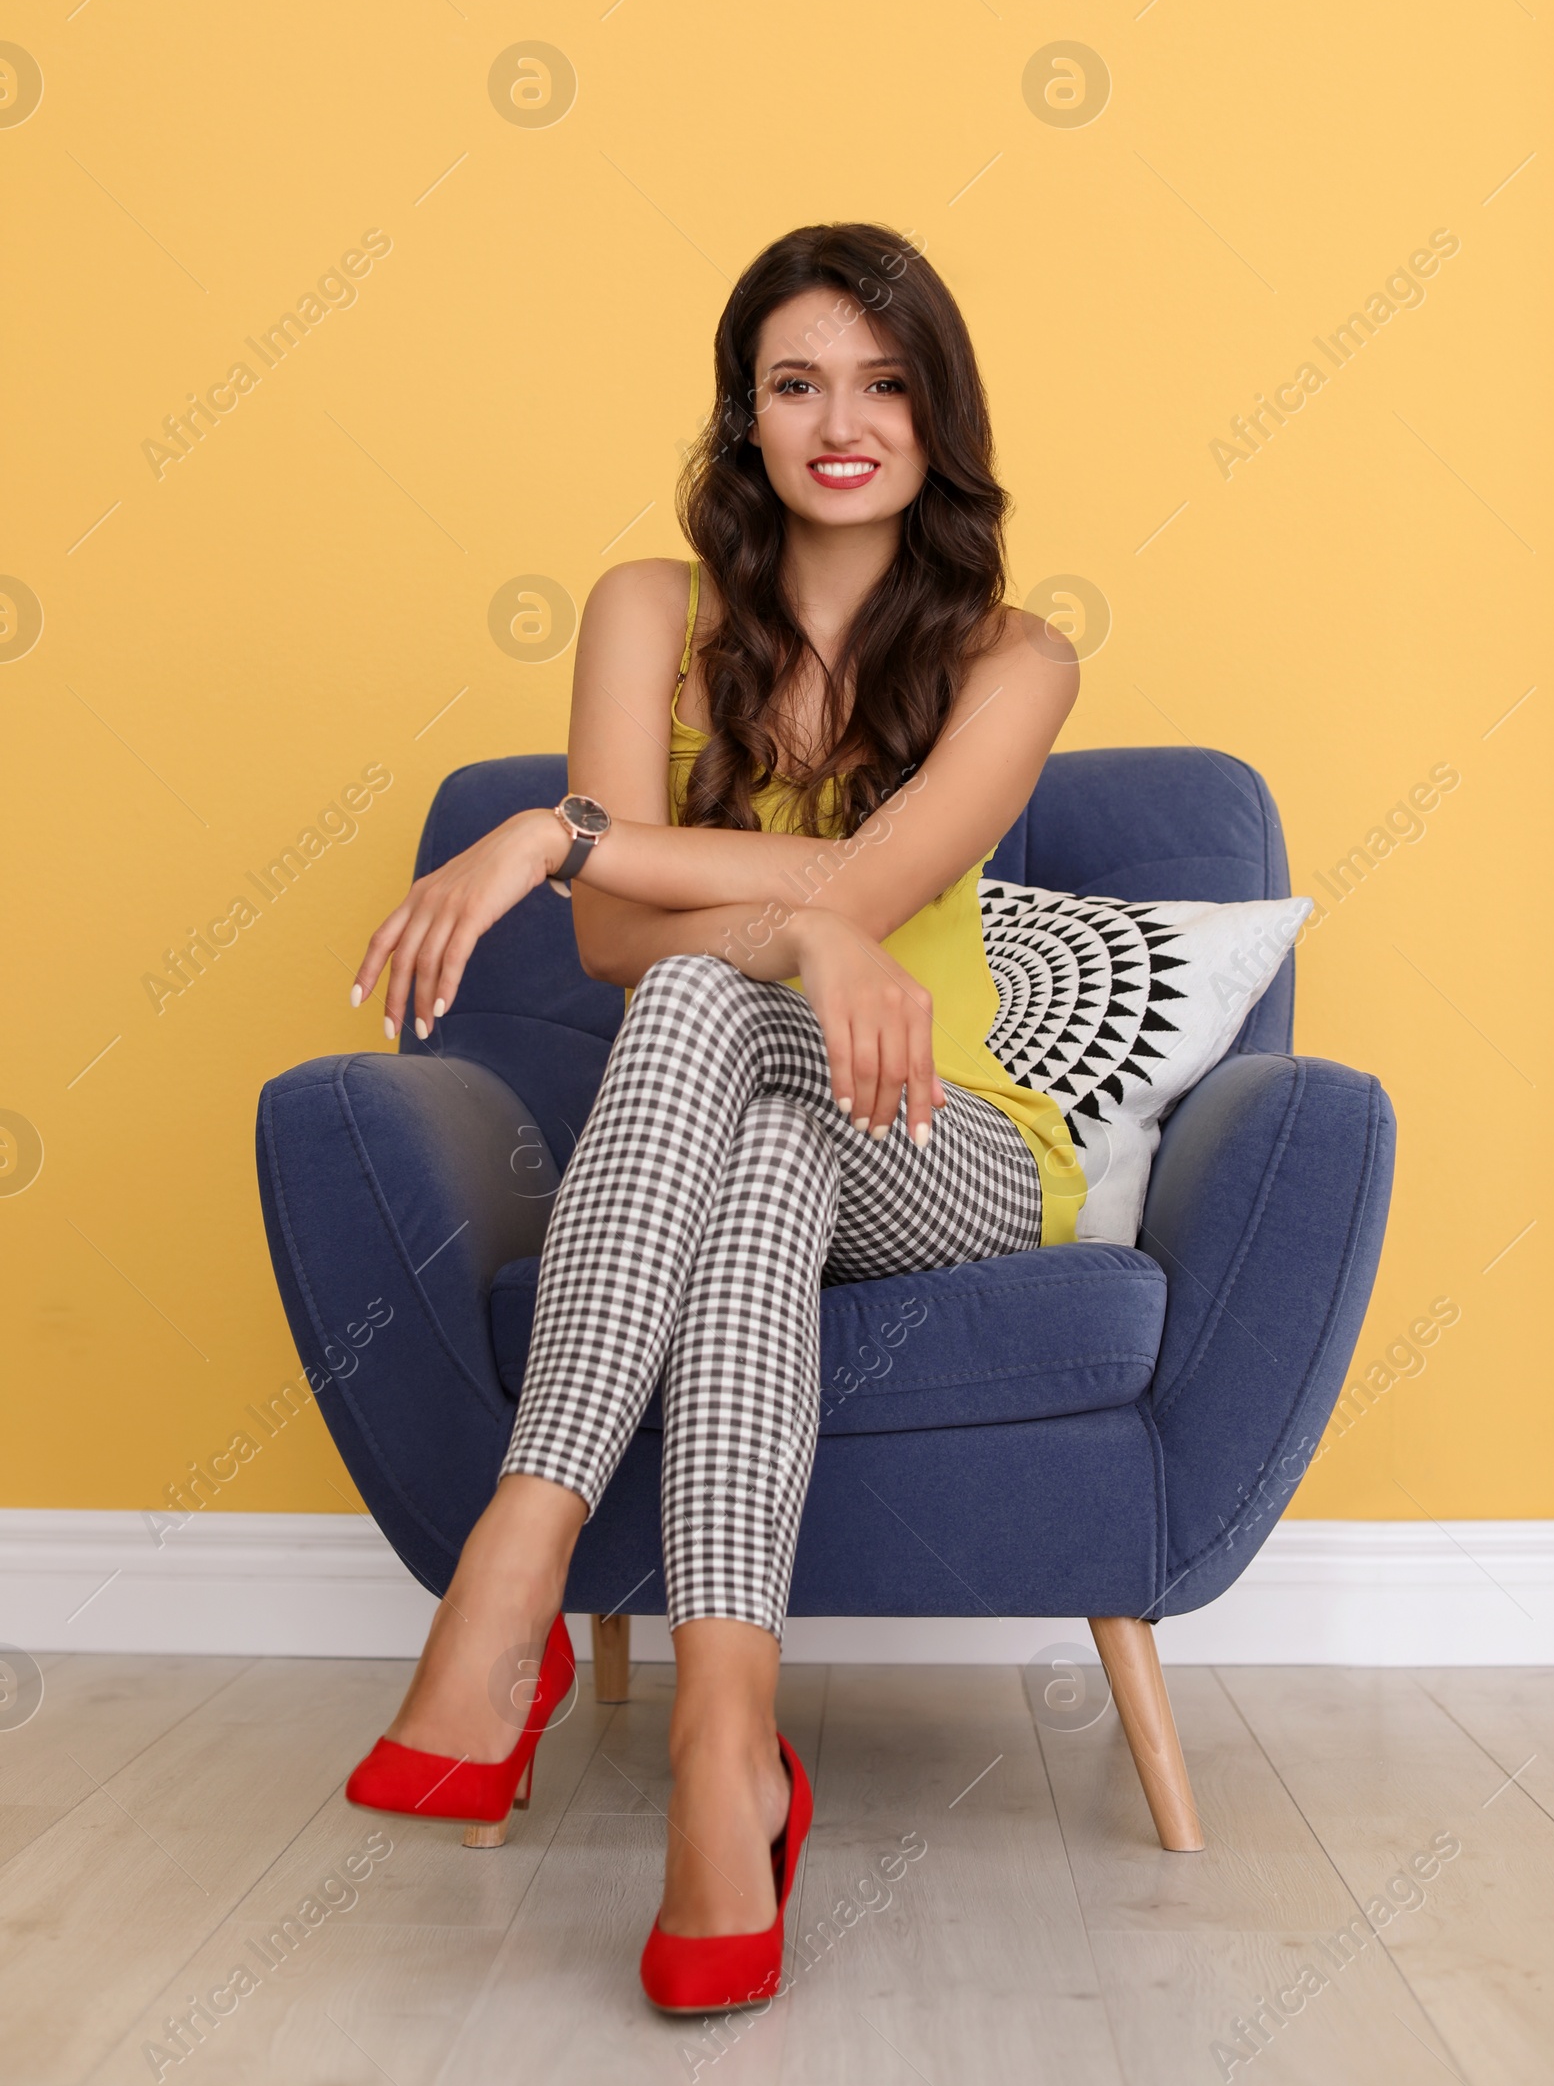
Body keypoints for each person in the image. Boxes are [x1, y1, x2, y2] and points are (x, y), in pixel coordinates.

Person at [341, 220, 1088, 2011]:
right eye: (797, 382)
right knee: (723, 1094)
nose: (844, 422)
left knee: (700, 994)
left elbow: (864, 873)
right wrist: (780, 932)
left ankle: (507, 1579)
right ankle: (722, 1763)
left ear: (941, 414)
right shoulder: (646, 613)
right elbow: (615, 946)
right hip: (754, 1111)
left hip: (951, 1131)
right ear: (742, 416)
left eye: (887, 383)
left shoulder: (1017, 660)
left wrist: (558, 828)